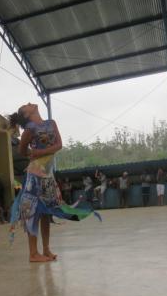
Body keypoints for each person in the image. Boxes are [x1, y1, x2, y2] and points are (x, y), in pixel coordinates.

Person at [9, 102, 99, 263]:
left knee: (46, 212)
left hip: (48, 175)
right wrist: (33, 154)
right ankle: (33, 253)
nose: (29, 102)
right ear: (27, 114)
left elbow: (59, 144)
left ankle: (46, 249)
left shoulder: (51, 123)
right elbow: (22, 151)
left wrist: (40, 152)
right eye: (25, 105)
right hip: (35, 174)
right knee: (33, 212)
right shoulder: (29, 130)